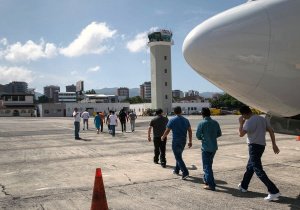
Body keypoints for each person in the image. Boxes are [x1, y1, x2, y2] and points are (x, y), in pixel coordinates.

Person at [238, 105, 280, 201]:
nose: (243, 118)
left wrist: (241, 123)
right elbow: (271, 131)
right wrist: (274, 144)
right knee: (250, 167)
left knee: (257, 169)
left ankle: (273, 191)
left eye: (243, 116)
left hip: (253, 146)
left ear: (244, 114)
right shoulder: (262, 119)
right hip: (261, 146)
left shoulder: (248, 122)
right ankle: (244, 186)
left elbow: (240, 134)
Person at [161, 106, 192, 179]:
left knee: (178, 157)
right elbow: (190, 131)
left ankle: (185, 172)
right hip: (183, 140)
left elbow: (167, 130)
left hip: (176, 141)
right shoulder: (186, 120)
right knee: (179, 155)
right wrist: (190, 141)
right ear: (181, 111)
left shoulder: (172, 120)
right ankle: (176, 170)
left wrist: (163, 137)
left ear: (174, 112)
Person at [196, 107, 222, 191]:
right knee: (208, 164)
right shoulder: (215, 122)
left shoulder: (202, 123)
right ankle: (206, 180)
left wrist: (203, 138)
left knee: (207, 167)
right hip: (214, 147)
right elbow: (219, 133)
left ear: (202, 114)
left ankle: (211, 185)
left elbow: (198, 136)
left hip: (206, 147)